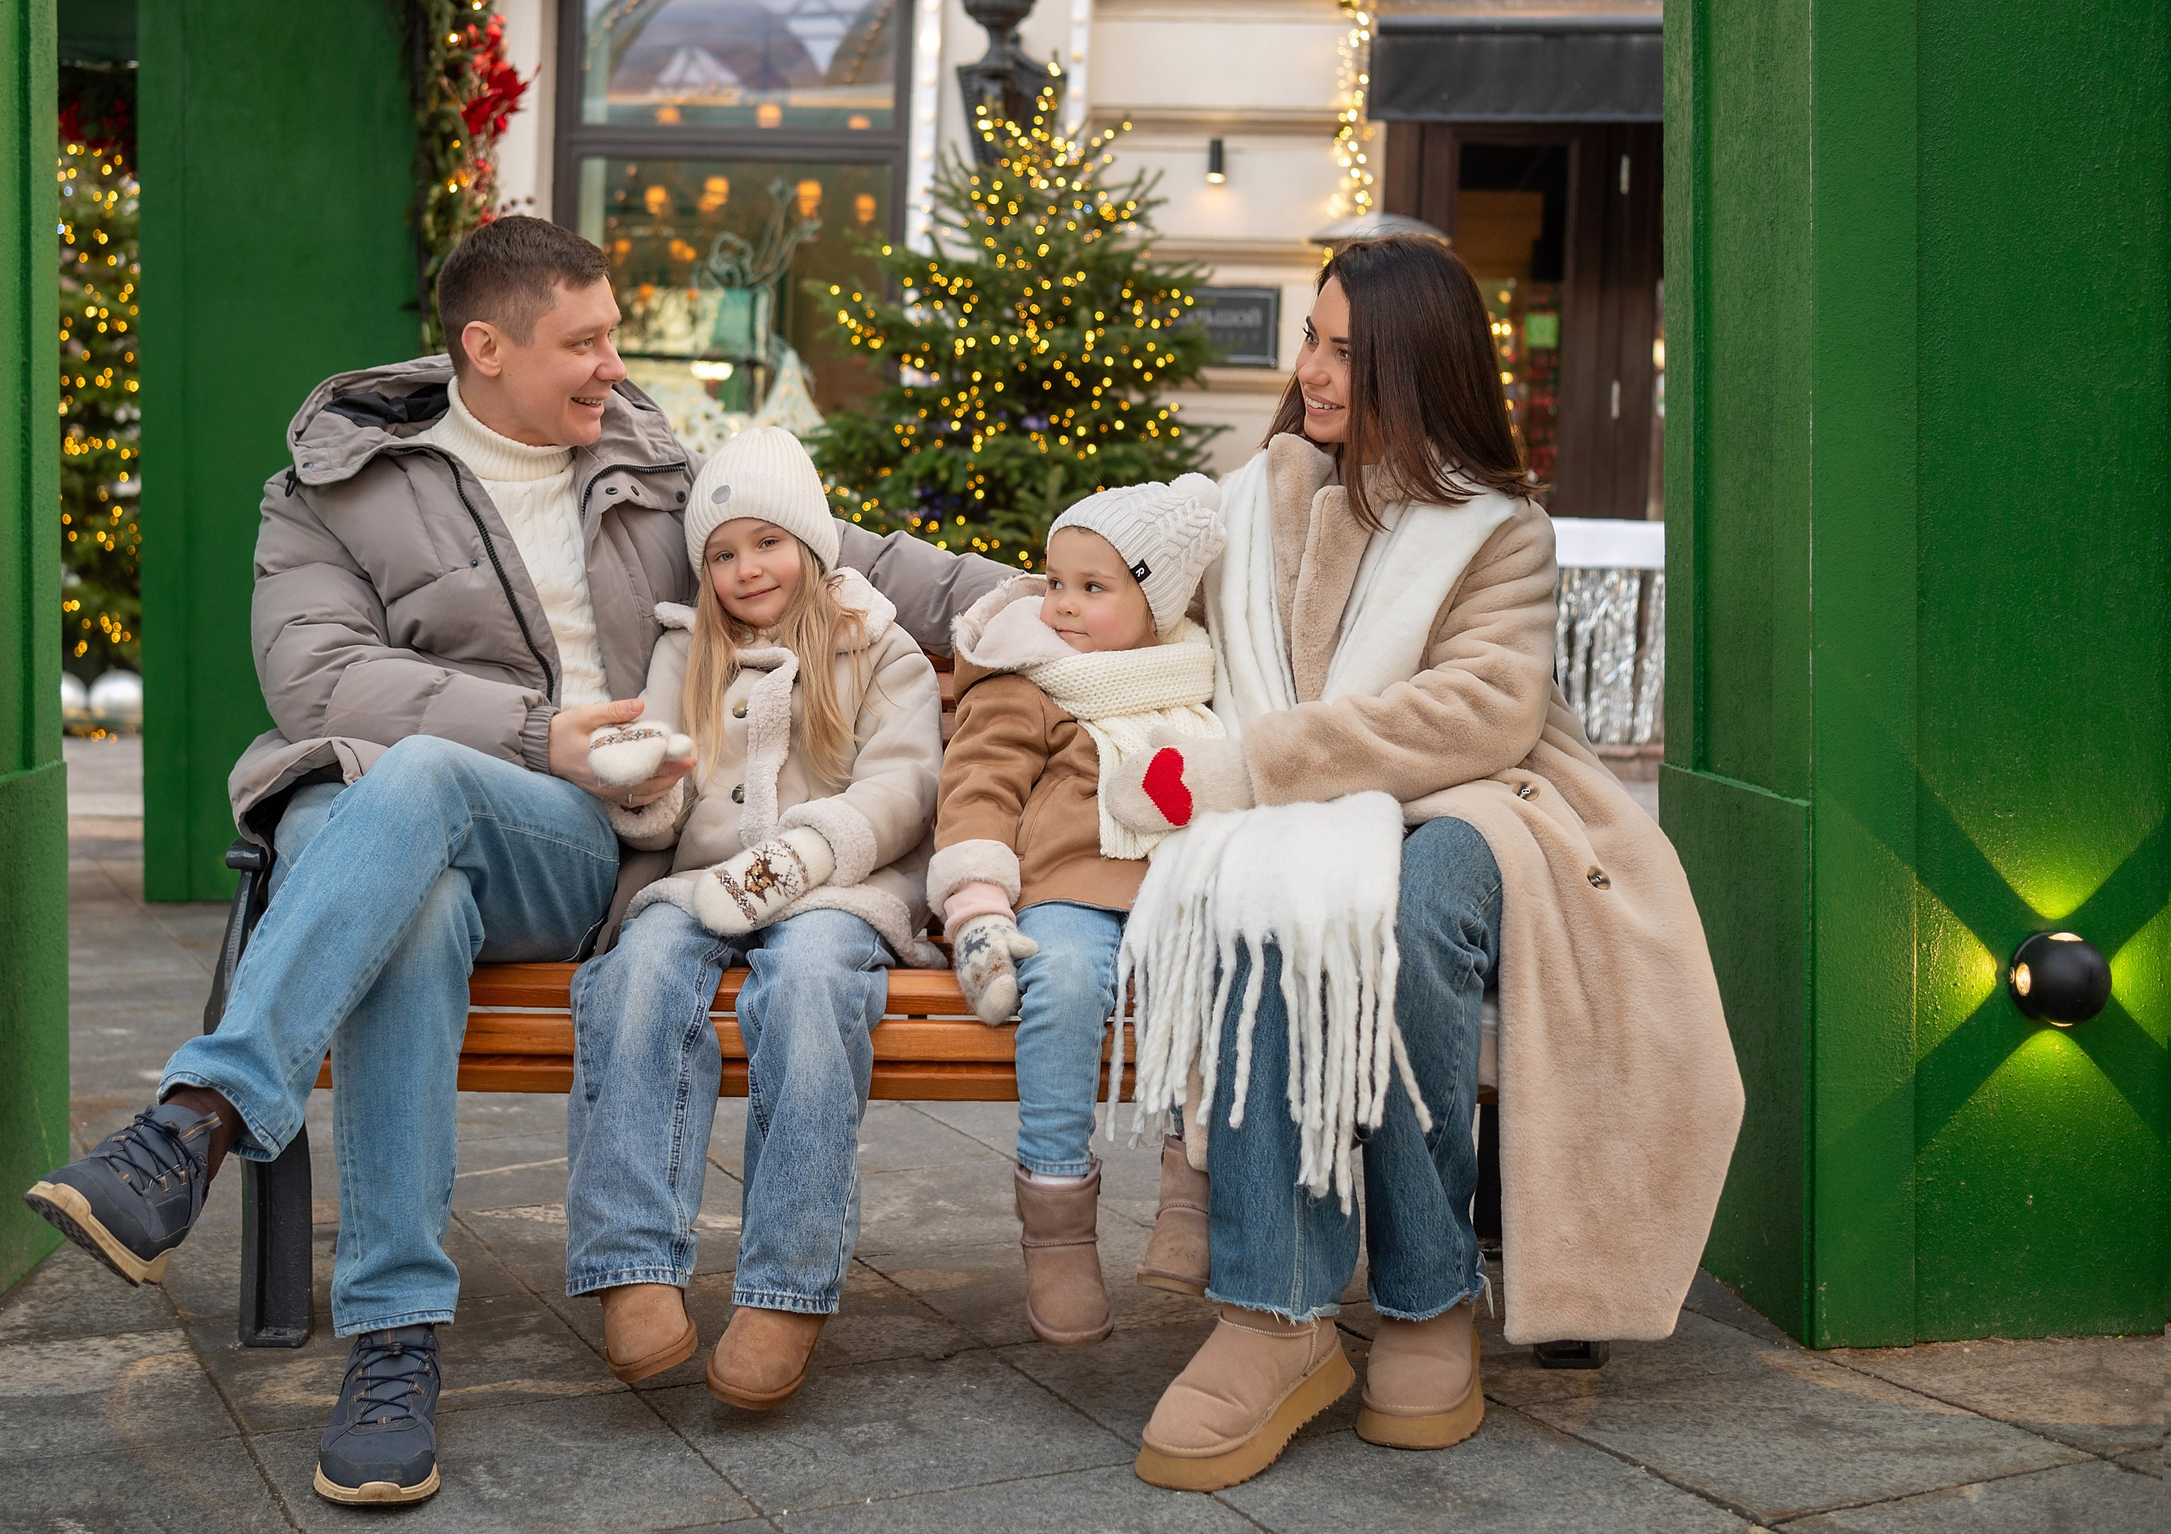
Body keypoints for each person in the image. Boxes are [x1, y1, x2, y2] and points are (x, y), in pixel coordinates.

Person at [23, 219, 1009, 1506]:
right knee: (413, 890)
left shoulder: (651, 469)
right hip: (410, 821)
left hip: (583, 843)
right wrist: (539, 730)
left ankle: (196, 1121)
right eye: (584, 341)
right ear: (486, 347)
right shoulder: (329, 490)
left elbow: (857, 561)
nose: (613, 365)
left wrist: (1080, 591)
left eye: (611, 334)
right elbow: (318, 675)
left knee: (418, 791)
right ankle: (393, 1343)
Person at [1097, 234, 1743, 1492]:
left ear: (1416, 364)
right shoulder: (1247, 500)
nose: (1316, 370)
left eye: (1348, 349)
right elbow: (1116, 587)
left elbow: (1480, 713)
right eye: (1310, 339)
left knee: (1399, 916)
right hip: (1298, 805)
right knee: (1278, 900)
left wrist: (1262, 765)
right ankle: (1274, 1313)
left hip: (1482, 802)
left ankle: (1424, 1294)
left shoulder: (1497, 528)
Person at [562, 428, 945, 1410]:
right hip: (705, 882)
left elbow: (906, 785)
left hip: (836, 887)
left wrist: (808, 854)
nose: (744, 570)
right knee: (639, 970)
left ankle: (788, 1281)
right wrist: (643, 785)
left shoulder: (880, 647)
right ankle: (631, 1262)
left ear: (811, 546)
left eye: (765, 544)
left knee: (813, 982)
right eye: (721, 554)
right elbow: (658, 800)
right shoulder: (686, 650)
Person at [925, 478, 1227, 1344]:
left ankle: (1192, 1198)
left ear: (1155, 605)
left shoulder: (1192, 682)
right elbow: (978, 784)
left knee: (1212, 978)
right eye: (1055, 581)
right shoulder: (1030, 680)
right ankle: (1058, 1230)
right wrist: (979, 900)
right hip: (1065, 889)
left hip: (1178, 889)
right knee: (1057, 983)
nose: (1061, 606)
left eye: (1093, 589)